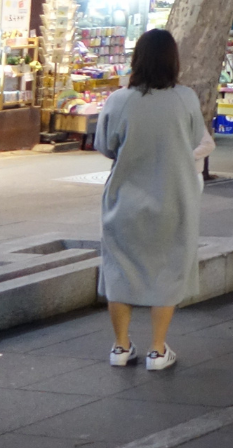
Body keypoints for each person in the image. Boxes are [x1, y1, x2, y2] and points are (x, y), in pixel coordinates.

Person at [96, 29, 209, 371]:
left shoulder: (119, 100)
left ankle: (119, 347)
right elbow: (193, 140)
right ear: (173, 61)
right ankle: (157, 351)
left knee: (119, 270)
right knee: (168, 270)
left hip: (125, 198)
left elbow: (105, 145)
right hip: (175, 196)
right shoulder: (186, 98)